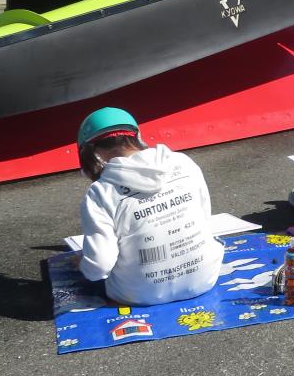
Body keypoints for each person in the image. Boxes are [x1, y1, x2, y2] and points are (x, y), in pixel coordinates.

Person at [75, 107, 224, 307]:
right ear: (138, 135)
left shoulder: (101, 192)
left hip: (135, 295)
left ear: (93, 151)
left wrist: (84, 265)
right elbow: (204, 218)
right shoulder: (183, 162)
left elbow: (99, 266)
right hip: (203, 280)